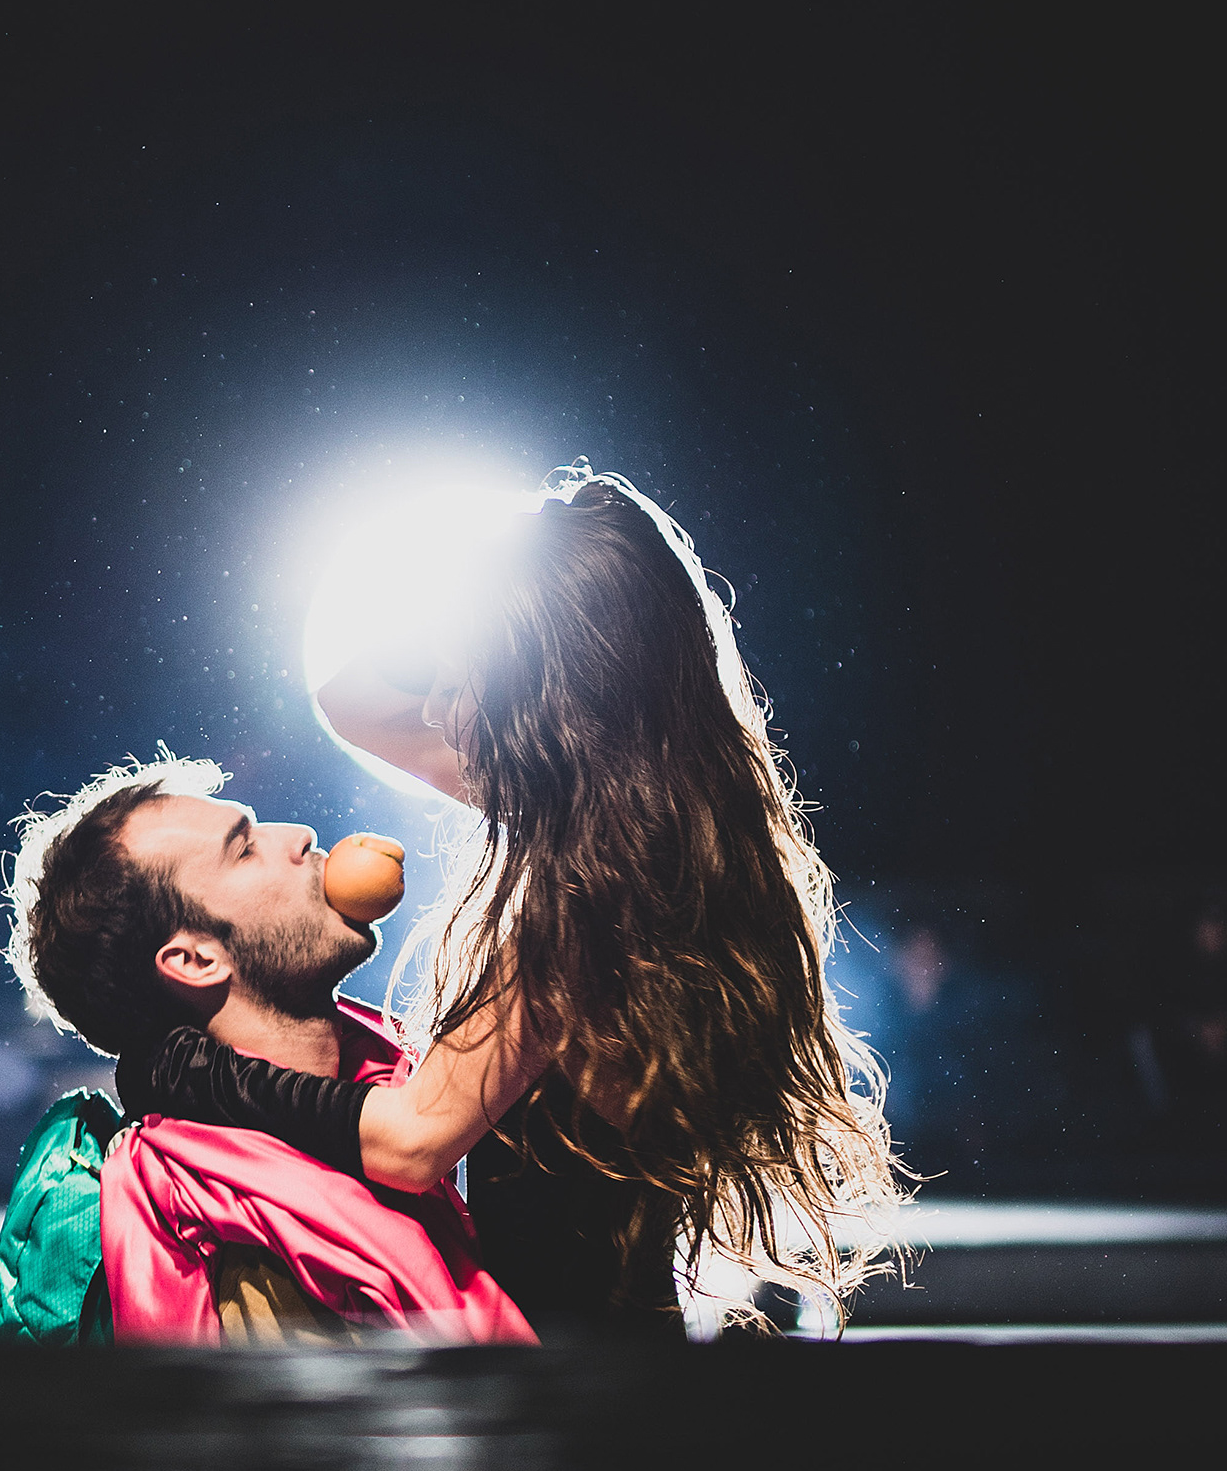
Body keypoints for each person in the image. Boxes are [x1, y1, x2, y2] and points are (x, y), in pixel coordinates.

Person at [136, 466, 902, 1333]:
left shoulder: (586, 910)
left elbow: (412, 1144)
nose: (434, 711)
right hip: (602, 1367)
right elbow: (348, 702)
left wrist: (201, 1074)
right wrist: (493, 595)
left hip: (580, 1400)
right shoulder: (630, 839)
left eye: (461, 684)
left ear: (535, 707)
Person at [0, 753, 533, 1345]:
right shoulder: (248, 1244)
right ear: (195, 960)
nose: (299, 835)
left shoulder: (353, 1108)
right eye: (244, 849)